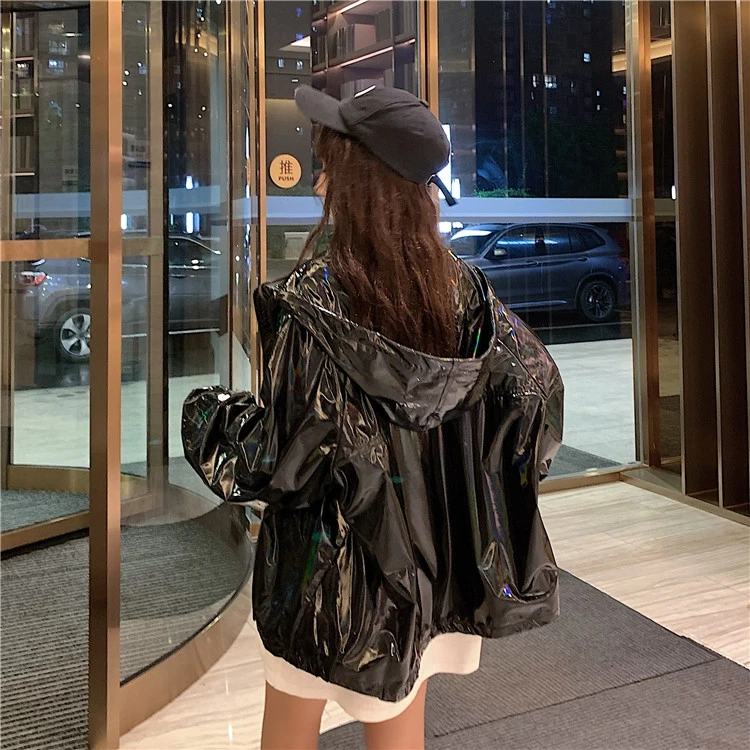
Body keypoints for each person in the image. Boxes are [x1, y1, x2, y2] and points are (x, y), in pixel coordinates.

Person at [182, 85, 563, 750]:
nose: (319, 179)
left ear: (360, 183)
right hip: (434, 574)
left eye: (329, 164)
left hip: (326, 582)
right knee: (400, 719)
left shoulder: (313, 305)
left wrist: (207, 418)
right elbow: (536, 396)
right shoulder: (464, 293)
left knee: (289, 727)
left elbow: (283, 458)